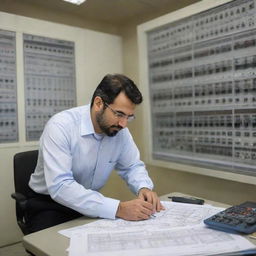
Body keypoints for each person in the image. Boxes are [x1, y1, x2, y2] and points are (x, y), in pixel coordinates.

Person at [28, 73, 164, 233]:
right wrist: (119, 208)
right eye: (119, 114)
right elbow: (61, 186)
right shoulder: (61, 126)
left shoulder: (120, 131)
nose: (123, 124)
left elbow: (132, 166)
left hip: (88, 201)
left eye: (129, 116)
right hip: (49, 204)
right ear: (98, 103)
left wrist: (144, 188)